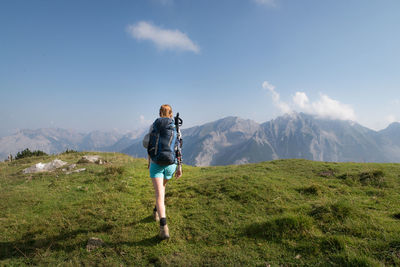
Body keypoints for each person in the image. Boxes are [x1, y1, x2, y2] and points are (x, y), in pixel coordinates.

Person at [143, 104, 182, 239]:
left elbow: (149, 145)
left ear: (160, 113)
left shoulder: (154, 126)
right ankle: (155, 211)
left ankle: (164, 227)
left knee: (160, 195)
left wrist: (149, 162)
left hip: (156, 163)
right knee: (162, 189)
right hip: (171, 164)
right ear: (171, 114)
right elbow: (178, 147)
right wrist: (179, 167)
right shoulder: (176, 126)